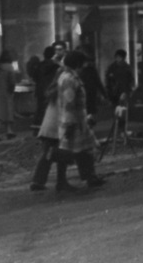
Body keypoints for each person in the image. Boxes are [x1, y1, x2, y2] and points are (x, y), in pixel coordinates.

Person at [56, 50, 106, 190]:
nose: (85, 65)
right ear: (77, 63)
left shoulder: (68, 76)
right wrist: (70, 123)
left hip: (77, 120)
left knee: (83, 149)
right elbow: (69, 102)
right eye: (82, 62)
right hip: (73, 122)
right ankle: (63, 181)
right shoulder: (69, 79)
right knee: (70, 151)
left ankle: (89, 177)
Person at [30, 58, 73, 192]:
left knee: (48, 153)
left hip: (49, 127)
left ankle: (38, 181)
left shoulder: (53, 88)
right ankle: (60, 181)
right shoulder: (63, 88)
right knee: (62, 153)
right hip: (57, 127)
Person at [0, 49, 18, 140]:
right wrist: (12, 90)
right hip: (6, 92)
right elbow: (12, 81)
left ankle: (9, 131)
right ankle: (1, 131)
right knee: (7, 111)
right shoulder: (10, 67)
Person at [78, 51, 108, 119]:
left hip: (90, 93)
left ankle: (88, 124)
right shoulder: (82, 70)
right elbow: (98, 82)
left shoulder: (89, 70)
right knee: (86, 111)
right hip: (86, 93)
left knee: (89, 111)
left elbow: (98, 82)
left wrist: (104, 94)